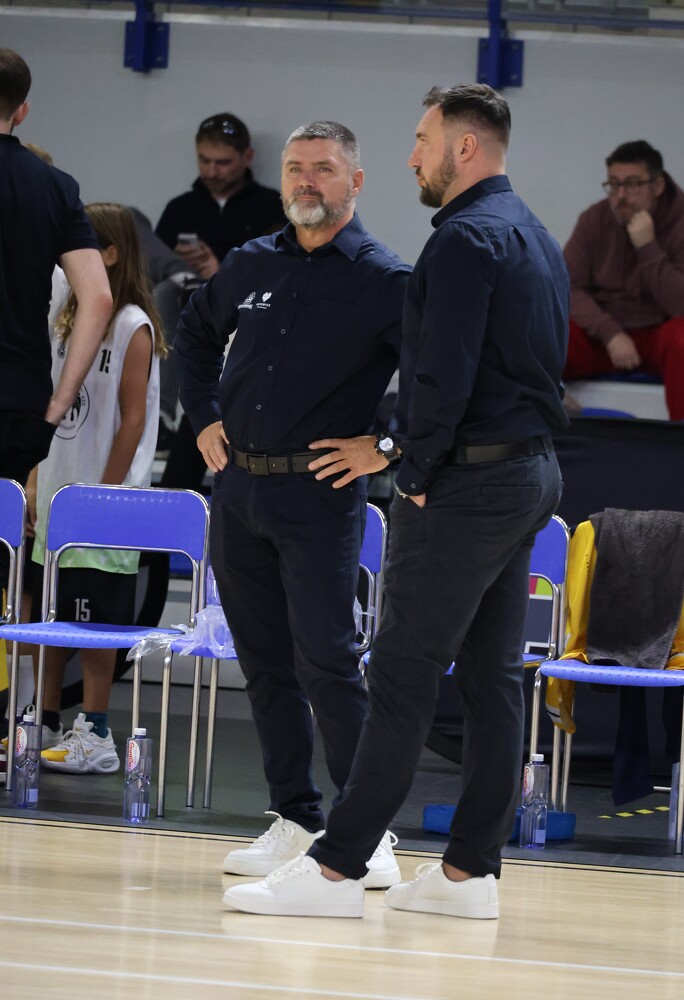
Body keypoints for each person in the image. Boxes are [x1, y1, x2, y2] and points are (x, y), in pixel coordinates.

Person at [222, 85, 569, 920]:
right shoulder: (534, 232)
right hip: (530, 473)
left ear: (465, 148)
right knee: (491, 675)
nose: (413, 156)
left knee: (402, 674)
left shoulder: (461, 240)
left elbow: (441, 378)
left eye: (422, 140)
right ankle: (469, 875)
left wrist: (407, 464)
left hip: (468, 484)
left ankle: (336, 870)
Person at [175, 121, 411, 888]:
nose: (307, 181)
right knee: (264, 665)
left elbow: (442, 379)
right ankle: (297, 817)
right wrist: (204, 417)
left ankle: (367, 832)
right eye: (296, 168)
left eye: (324, 168)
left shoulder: (385, 279)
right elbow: (193, 336)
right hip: (238, 490)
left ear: (355, 181)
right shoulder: (250, 261)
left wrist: (388, 446)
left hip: (320, 497)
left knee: (327, 661)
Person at [27, 203, 165, 772]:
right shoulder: (67, 316)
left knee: (95, 625)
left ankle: (98, 734)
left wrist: (103, 498)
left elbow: (133, 421)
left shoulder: (132, 324)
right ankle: (43, 722)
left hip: (104, 505)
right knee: (49, 620)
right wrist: (35, 478)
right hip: (57, 495)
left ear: (109, 253)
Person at [0, 48, 112, 492]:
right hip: (18, 401)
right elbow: (98, 298)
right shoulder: (56, 187)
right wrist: (56, 407)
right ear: (22, 112)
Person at [563, 140, 684, 420]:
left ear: (657, 186)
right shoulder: (594, 220)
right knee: (543, 330)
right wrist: (610, 333)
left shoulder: (680, 223)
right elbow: (567, 287)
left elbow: (680, 305)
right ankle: (548, 416)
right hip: (606, 338)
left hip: (658, 336)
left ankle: (679, 437)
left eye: (632, 185)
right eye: (614, 184)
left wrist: (648, 247)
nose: (620, 196)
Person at [155, 112, 285, 281]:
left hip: (245, 294)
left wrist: (221, 272)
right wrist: (172, 261)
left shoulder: (273, 206)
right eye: (204, 161)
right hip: (182, 292)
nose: (212, 172)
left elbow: (283, 272)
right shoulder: (178, 208)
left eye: (223, 163)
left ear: (247, 157)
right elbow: (149, 272)